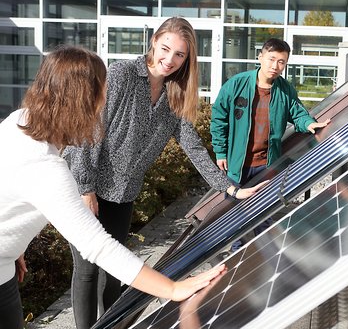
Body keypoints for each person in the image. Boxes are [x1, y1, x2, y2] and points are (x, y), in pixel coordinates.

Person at [0, 46, 227, 329]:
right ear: (83, 99)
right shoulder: (46, 169)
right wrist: (172, 289)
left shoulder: (19, 120)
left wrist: (16, 244)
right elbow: (98, 247)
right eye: (101, 89)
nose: (105, 97)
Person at [62, 18, 264, 329]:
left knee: (115, 272)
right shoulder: (121, 74)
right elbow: (92, 130)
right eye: (166, 49)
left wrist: (230, 188)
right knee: (88, 270)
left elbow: (192, 146)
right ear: (154, 41)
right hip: (84, 184)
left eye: (179, 55)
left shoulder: (176, 93)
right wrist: (85, 189)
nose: (169, 60)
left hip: (123, 194)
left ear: (187, 59)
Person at [210, 38, 330, 251]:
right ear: (261, 57)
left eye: (281, 62)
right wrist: (220, 151)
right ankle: (237, 255)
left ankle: (262, 256)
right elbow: (219, 117)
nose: (275, 66)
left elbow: (297, 112)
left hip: (267, 164)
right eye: (271, 59)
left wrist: (310, 124)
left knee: (264, 213)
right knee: (236, 214)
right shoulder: (237, 84)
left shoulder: (285, 90)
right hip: (237, 164)